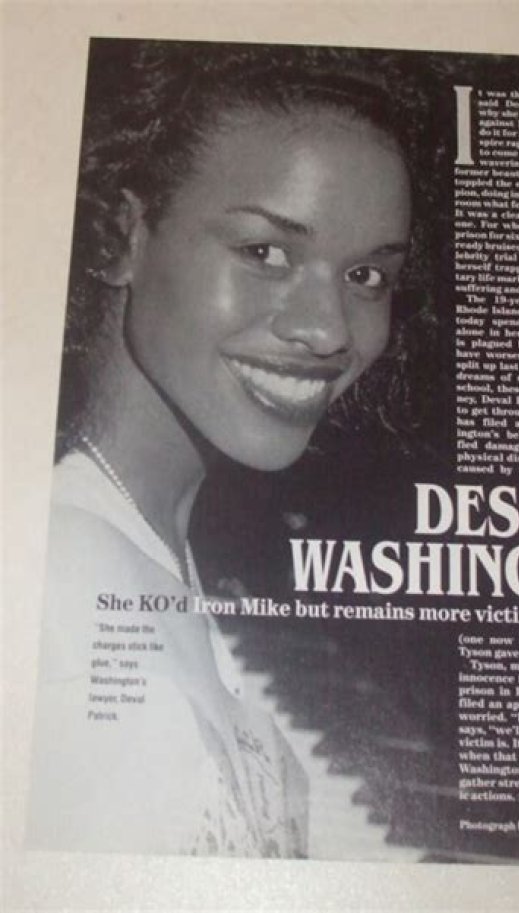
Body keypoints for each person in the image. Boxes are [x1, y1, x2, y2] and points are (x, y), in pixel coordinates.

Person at [27, 39, 432, 857]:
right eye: (265, 254)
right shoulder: (61, 595)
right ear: (122, 235)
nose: (328, 331)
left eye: (366, 276)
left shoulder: (144, 531)